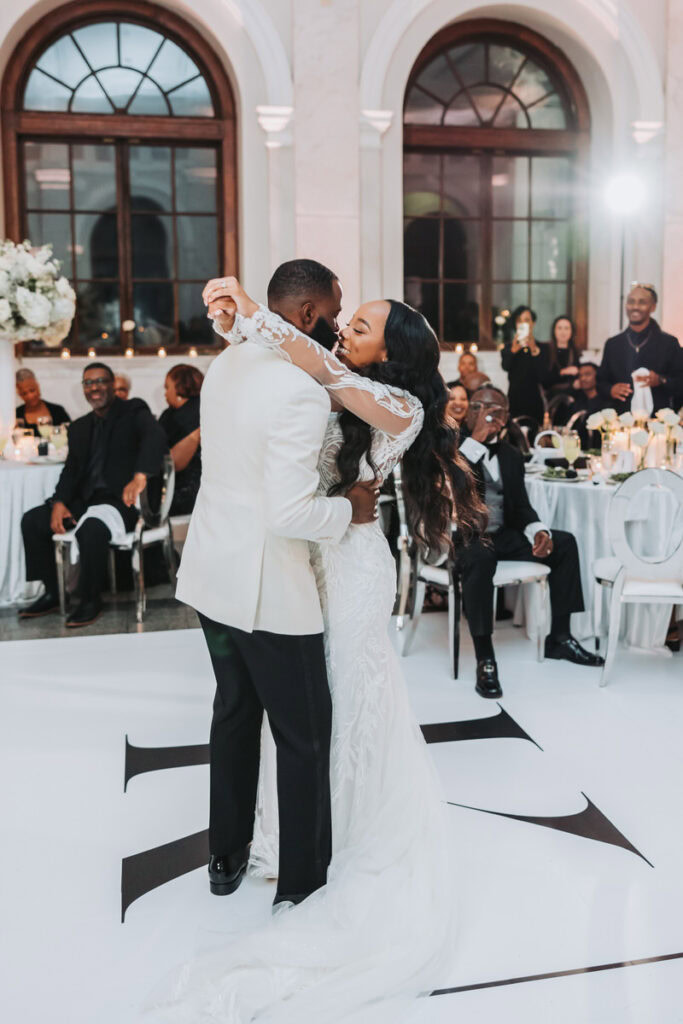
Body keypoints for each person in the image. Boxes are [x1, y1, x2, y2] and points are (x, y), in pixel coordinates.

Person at [157, 268, 485, 1023]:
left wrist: (244, 310)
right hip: (307, 548)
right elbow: (303, 359)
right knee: (302, 713)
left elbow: (320, 368)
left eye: (361, 326)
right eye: (343, 318)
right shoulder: (308, 372)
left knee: (344, 695)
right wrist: (233, 310)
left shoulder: (395, 404)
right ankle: (291, 837)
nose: (344, 330)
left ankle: (343, 833)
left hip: (349, 561)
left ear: (392, 350)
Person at [456, 385, 603, 698]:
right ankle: (485, 657)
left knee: (564, 543)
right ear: (470, 410)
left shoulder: (510, 455)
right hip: (467, 534)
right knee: (479, 558)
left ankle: (560, 638)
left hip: (504, 535)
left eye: (497, 411)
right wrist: (476, 441)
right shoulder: (451, 447)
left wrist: (539, 531)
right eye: (482, 407)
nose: (489, 415)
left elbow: (521, 507)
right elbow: (452, 490)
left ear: (507, 418)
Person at [19, 362, 167, 628]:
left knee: (92, 530)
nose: (94, 387)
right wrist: (60, 502)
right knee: (33, 521)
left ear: (111, 385)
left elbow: (155, 437)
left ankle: (91, 599)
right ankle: (54, 592)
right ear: (84, 389)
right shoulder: (80, 427)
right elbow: (71, 470)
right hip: (85, 500)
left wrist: (140, 476)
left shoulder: (133, 410)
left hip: (122, 500)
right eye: (88, 383)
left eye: (100, 381)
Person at [597, 284, 683, 414]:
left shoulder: (669, 343)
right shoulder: (613, 344)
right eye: (631, 302)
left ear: (653, 307)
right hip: (621, 422)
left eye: (642, 302)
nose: (635, 307)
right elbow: (600, 382)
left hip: (658, 423)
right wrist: (611, 390)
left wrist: (661, 380)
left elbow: (680, 383)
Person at [158, 364, 203, 515]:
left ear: (179, 386)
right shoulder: (207, 406)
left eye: (167, 387)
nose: (165, 394)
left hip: (184, 486)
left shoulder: (172, 417)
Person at [501, 305, 548, 425]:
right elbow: (505, 366)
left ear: (533, 323)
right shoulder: (508, 347)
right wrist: (513, 350)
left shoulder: (542, 347)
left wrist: (534, 350)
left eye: (527, 320)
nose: (523, 324)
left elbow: (543, 375)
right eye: (519, 321)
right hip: (514, 399)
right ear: (515, 325)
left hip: (534, 400)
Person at [15, 368, 70, 436]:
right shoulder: (16, 415)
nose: (30, 396)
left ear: (38, 386)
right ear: (19, 394)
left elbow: (71, 434)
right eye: (24, 393)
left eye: (32, 390)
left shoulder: (58, 411)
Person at [544, 315, 579, 397]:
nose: (563, 332)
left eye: (566, 328)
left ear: (572, 331)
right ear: (554, 331)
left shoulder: (575, 351)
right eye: (559, 328)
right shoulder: (546, 350)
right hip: (552, 397)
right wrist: (563, 372)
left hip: (573, 395)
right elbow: (544, 379)